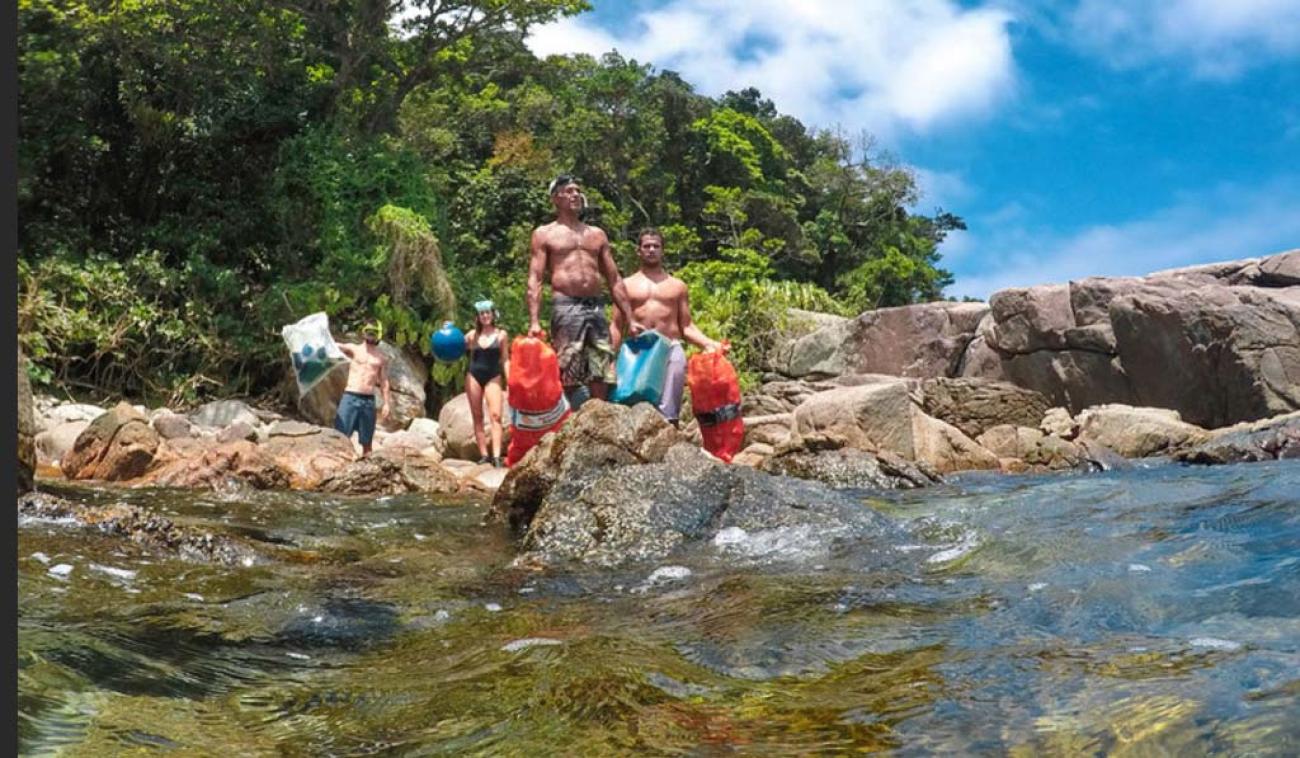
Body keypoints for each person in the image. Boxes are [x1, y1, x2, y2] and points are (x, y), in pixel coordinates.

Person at [527, 174, 645, 409]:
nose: (575, 195)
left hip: (595, 305)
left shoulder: (596, 234)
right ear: (556, 198)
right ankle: (573, 416)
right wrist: (534, 321)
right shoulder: (545, 234)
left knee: (601, 366)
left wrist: (630, 319)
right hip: (566, 304)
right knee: (568, 364)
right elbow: (535, 279)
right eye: (569, 191)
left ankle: (599, 414)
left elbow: (614, 279)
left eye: (577, 191)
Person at [612, 228, 727, 426]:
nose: (651, 250)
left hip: (670, 346)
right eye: (646, 246)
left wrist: (710, 343)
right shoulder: (626, 285)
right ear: (638, 251)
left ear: (663, 251)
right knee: (632, 402)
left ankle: (669, 434)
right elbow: (615, 325)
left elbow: (687, 326)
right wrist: (609, 359)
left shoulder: (677, 286)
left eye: (656, 246)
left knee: (669, 406)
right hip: (638, 350)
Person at [334, 320, 391, 457]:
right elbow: (336, 346)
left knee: (367, 442)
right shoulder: (354, 349)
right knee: (339, 436)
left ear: (378, 335)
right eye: (368, 332)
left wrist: (386, 403)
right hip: (350, 396)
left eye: (374, 333)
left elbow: (384, 381)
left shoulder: (381, 358)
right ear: (363, 332)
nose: (370, 335)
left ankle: (367, 466)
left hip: (368, 401)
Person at [464, 299, 510, 467]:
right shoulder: (471, 335)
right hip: (474, 376)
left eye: (487, 312)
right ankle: (484, 454)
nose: (485, 316)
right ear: (477, 317)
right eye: (481, 313)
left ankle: (496, 456)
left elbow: (505, 359)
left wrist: (510, 380)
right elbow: (454, 347)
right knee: (477, 416)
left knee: (496, 416)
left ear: (493, 314)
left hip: (493, 376)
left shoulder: (501, 335)